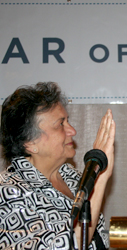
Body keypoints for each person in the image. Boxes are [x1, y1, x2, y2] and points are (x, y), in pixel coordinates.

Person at [0, 82, 115, 249]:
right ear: (30, 142)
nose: (72, 131)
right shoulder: (8, 192)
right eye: (61, 124)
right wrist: (101, 178)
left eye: (68, 121)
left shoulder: (73, 177)